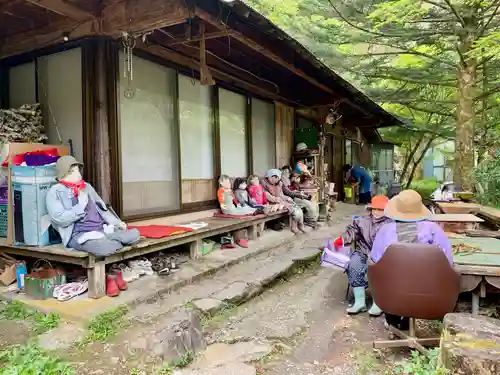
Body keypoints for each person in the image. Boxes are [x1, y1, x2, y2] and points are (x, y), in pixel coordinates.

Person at [371, 189, 453, 330]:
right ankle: (408, 318)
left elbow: (375, 260)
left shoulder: (385, 230)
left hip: (392, 294)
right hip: (429, 294)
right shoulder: (434, 229)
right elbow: (448, 261)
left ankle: (393, 318)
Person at [332, 195, 391, 316]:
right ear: (371, 209)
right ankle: (360, 302)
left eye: (381, 209)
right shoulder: (361, 221)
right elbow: (351, 233)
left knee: (382, 270)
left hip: (383, 255)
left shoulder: (392, 222)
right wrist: (340, 241)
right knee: (354, 263)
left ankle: (378, 302)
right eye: (375, 209)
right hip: (363, 252)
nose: (377, 211)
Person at [262, 169, 305, 234]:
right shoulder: (265, 184)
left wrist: (288, 197)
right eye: (274, 177)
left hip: (281, 201)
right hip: (272, 203)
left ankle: (301, 225)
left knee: (298, 209)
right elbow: (274, 196)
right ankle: (294, 227)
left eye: (277, 178)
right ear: (269, 176)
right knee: (294, 210)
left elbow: (286, 192)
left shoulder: (278, 183)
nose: (275, 180)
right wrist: (279, 188)